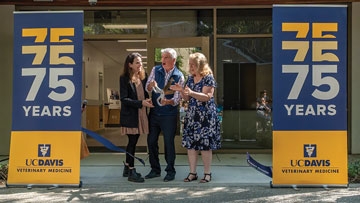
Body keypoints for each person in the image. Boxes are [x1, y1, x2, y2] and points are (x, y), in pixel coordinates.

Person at [170, 52, 221, 183]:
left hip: (206, 116)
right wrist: (180, 90)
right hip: (192, 115)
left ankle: (207, 173)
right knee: (191, 145)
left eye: (193, 65)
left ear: (201, 65)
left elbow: (207, 96)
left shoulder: (208, 77)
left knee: (205, 145)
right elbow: (187, 98)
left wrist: (191, 92)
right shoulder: (190, 78)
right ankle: (192, 173)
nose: (191, 67)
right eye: (190, 64)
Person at [145, 48, 185, 182]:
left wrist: (169, 101)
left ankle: (170, 170)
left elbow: (178, 98)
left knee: (169, 142)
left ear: (173, 60)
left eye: (166, 57)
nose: (163, 60)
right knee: (151, 141)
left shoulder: (179, 76)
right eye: (162, 57)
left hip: (169, 115)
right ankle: (155, 169)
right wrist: (150, 85)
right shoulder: (155, 70)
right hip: (155, 113)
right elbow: (147, 87)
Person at [119, 52, 154, 183]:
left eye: (141, 62)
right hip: (131, 115)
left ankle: (127, 167)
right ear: (130, 65)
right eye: (137, 62)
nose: (140, 65)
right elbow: (124, 99)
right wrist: (141, 103)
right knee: (132, 142)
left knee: (133, 141)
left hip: (141, 113)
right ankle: (131, 171)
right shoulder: (124, 78)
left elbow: (143, 95)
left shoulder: (142, 77)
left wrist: (147, 101)